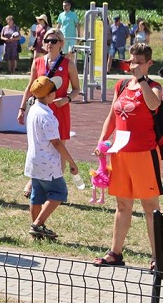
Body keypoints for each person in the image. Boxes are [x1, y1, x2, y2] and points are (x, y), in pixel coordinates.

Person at [93, 43, 163, 268]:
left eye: (139, 63)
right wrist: (102, 141)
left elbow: (154, 105)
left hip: (144, 154)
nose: (134, 66)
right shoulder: (121, 85)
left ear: (149, 63)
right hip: (121, 154)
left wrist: (141, 79)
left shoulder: (154, 87)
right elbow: (112, 116)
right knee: (122, 205)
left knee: (150, 207)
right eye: (132, 61)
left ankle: (158, 257)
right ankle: (115, 253)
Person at [25, 76, 80, 241]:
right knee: (59, 192)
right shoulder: (47, 116)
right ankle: (37, 224)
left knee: (37, 195)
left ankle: (37, 229)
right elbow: (56, 142)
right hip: (48, 163)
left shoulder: (33, 109)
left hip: (34, 161)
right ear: (49, 96)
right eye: (54, 91)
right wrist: (71, 161)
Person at [18, 28, 80, 139]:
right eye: (47, 41)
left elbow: (76, 89)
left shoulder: (69, 64)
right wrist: (22, 109)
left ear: (61, 43)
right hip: (40, 109)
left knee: (59, 145)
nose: (49, 44)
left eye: (53, 41)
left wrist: (67, 99)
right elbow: (30, 87)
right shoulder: (37, 62)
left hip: (60, 108)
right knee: (39, 143)